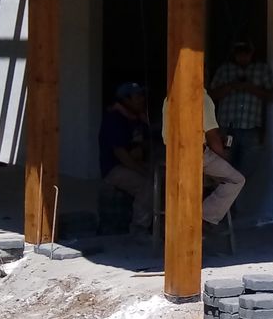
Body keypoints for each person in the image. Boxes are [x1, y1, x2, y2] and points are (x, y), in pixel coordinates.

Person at [163, 83, 245, 228]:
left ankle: (185, 222)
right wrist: (224, 157)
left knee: (213, 176)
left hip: (171, 154)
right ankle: (204, 218)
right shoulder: (202, 98)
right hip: (194, 154)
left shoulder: (169, 96)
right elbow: (212, 135)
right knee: (236, 180)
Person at [209, 41, 273, 180]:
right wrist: (231, 86)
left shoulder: (262, 69)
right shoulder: (224, 69)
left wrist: (250, 87)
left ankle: (239, 200)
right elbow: (211, 96)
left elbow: (271, 96)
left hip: (251, 129)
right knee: (223, 171)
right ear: (234, 54)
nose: (243, 57)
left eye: (246, 54)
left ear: (252, 53)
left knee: (245, 175)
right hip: (226, 128)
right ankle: (228, 200)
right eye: (240, 54)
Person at [98, 83, 155, 233]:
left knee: (165, 177)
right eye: (137, 97)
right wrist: (143, 171)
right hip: (115, 168)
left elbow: (147, 144)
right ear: (125, 100)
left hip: (135, 163)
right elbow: (121, 155)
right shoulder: (114, 119)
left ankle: (160, 225)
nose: (142, 100)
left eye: (142, 96)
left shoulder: (137, 118)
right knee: (147, 184)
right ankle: (139, 229)